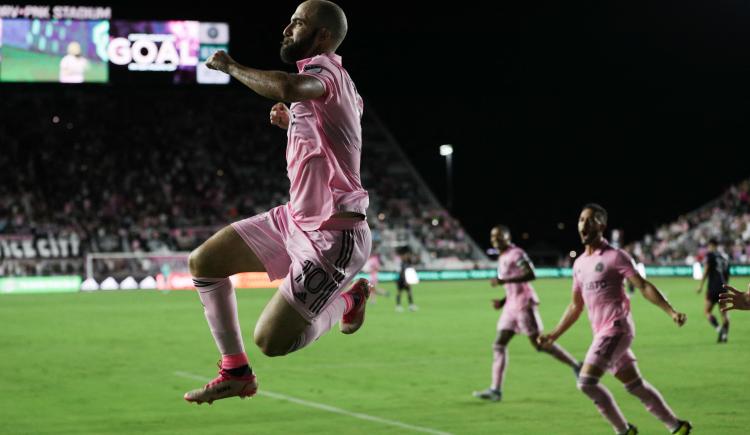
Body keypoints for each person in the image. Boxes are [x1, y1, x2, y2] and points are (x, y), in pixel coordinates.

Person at [183, 0, 373, 405]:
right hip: (294, 219)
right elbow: (335, 138)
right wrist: (294, 125)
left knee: (271, 341)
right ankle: (234, 370)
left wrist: (231, 67)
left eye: (297, 22)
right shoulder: (337, 87)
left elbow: (288, 86)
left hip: (331, 236)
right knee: (204, 263)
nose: (286, 28)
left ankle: (348, 300)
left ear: (321, 36)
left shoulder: (325, 72)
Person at [538, 204, 692, 435]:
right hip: (602, 332)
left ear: (602, 225)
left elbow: (642, 285)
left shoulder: (616, 257)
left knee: (586, 382)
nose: (584, 224)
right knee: (635, 386)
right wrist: (554, 334)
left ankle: (624, 430)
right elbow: (575, 305)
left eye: (590, 220)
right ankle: (677, 426)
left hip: (616, 328)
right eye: (581, 220)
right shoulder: (579, 264)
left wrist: (670, 311)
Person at [473, 225, 580, 402]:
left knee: (538, 344)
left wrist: (503, 280)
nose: (495, 240)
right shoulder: (502, 256)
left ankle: (576, 365)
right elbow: (511, 287)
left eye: (499, 237)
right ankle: (495, 390)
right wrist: (503, 300)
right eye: (493, 237)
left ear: (508, 237)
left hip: (524, 305)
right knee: (499, 344)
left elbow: (531, 274)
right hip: (511, 306)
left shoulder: (517, 254)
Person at [695, 239, 731, 342]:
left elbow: (706, 270)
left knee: (707, 312)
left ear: (711, 245)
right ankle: (725, 336)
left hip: (713, 288)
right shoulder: (725, 258)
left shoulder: (710, 255)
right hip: (724, 288)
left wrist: (700, 285)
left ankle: (718, 329)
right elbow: (727, 274)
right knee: (724, 314)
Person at [394, 246, 417, 312]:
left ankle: (410, 305)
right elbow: (402, 273)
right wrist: (406, 280)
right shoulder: (402, 263)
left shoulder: (407, 262)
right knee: (400, 293)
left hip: (404, 280)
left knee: (408, 292)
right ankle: (399, 306)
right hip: (402, 280)